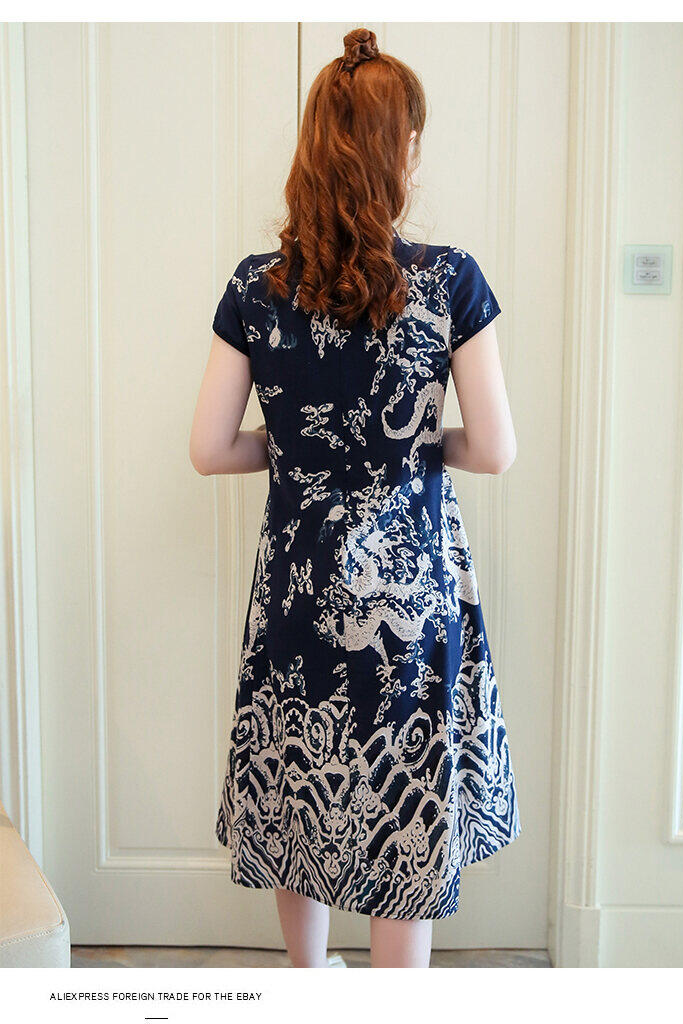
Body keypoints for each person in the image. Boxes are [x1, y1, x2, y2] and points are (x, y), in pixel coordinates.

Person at [189, 27, 521, 969]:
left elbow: (209, 450)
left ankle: (308, 976)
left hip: (298, 590)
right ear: (398, 150)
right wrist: (413, 449)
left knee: (304, 774)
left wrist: (300, 453)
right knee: (401, 800)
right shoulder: (449, 281)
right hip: (408, 595)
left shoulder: (255, 288)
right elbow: (495, 450)